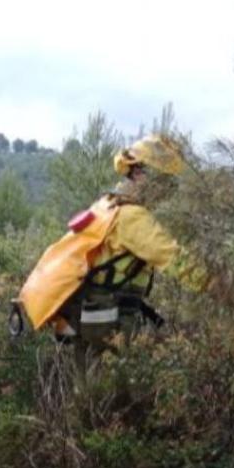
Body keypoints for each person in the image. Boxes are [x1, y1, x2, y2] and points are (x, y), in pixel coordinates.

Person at [16, 134, 207, 351]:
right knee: (101, 382)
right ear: (140, 174)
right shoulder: (132, 217)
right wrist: (225, 288)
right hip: (101, 324)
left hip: (82, 318)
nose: (168, 192)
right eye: (165, 182)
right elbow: (176, 261)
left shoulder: (108, 204)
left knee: (83, 378)